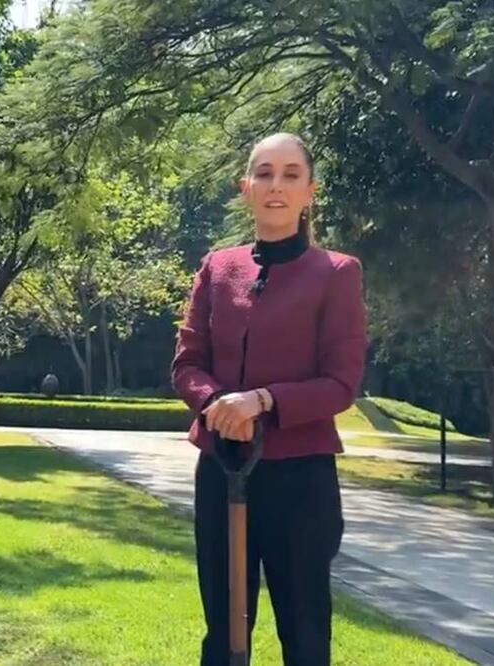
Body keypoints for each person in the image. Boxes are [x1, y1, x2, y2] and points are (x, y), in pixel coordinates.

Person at [170, 132, 368, 666]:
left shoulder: (337, 273)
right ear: (245, 188)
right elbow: (187, 364)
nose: (275, 186)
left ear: (309, 192)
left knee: (304, 634)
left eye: (290, 175)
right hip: (223, 468)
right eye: (263, 173)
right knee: (224, 632)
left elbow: (341, 383)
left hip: (300, 480)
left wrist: (259, 402)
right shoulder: (218, 267)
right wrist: (218, 405)